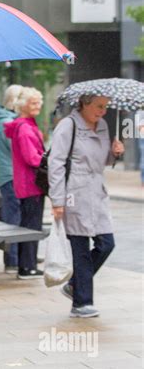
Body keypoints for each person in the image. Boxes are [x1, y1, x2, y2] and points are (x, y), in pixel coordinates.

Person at [49, 95, 124, 318]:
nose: (103, 111)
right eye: (99, 106)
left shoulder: (102, 125)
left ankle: (74, 285)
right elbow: (56, 164)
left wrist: (115, 153)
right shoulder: (68, 125)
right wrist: (57, 200)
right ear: (84, 103)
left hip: (97, 192)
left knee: (106, 244)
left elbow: (103, 161)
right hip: (75, 193)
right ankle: (82, 303)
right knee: (80, 248)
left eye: (105, 107)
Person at [4, 87, 45, 279]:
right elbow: (32, 159)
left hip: (25, 184)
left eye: (39, 102)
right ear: (24, 105)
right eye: (33, 102)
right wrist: (48, 160)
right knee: (31, 226)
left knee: (27, 224)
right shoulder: (25, 128)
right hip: (31, 184)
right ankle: (27, 267)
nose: (38, 106)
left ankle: (26, 265)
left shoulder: (23, 125)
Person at [0, 84, 23, 273]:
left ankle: (17, 256)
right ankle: (12, 260)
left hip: (7, 175)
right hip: (12, 176)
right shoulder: (9, 123)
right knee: (13, 219)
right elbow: (18, 151)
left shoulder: (3, 120)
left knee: (14, 216)